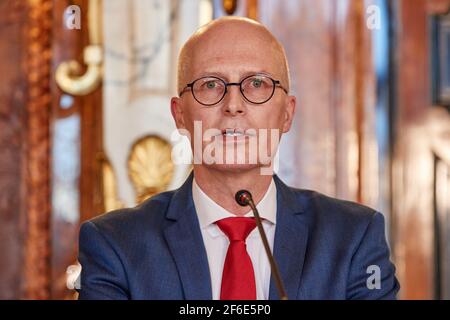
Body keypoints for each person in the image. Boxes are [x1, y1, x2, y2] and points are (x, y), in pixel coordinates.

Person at [77, 16, 399, 300]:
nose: (233, 104)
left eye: (256, 84)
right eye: (210, 85)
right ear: (180, 115)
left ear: (287, 114)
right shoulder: (115, 244)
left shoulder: (353, 237)